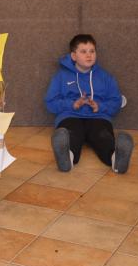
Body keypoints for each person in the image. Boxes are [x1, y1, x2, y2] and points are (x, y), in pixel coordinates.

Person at [45, 34, 133, 174]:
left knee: (102, 135)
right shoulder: (61, 76)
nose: (89, 55)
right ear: (74, 56)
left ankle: (116, 159)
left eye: (92, 51)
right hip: (70, 116)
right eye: (83, 51)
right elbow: (50, 102)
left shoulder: (106, 77)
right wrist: (72, 105)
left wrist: (100, 106)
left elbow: (116, 101)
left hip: (98, 117)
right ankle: (67, 158)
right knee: (72, 134)